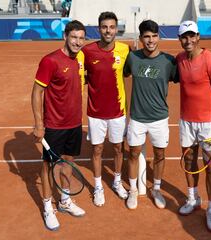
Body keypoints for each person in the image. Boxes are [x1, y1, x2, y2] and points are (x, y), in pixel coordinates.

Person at [31, 20, 86, 231]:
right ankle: (47, 207)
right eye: (74, 37)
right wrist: (39, 124)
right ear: (65, 36)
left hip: (74, 123)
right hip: (54, 125)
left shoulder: (80, 58)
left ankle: (64, 200)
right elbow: (37, 92)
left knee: (68, 163)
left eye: (81, 38)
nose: (78, 42)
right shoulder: (50, 61)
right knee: (47, 166)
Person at [176, 20, 211, 233]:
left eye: (192, 36)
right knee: (189, 160)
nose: (188, 40)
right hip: (186, 121)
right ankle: (193, 198)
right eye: (184, 37)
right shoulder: (179, 60)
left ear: (198, 37)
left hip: (208, 124)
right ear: (180, 39)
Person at [123, 20, 177, 210]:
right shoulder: (132, 58)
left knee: (160, 154)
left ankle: (157, 189)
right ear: (140, 38)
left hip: (160, 118)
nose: (151, 40)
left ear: (159, 37)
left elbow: (182, 79)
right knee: (133, 154)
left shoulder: (169, 61)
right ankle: (133, 191)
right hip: (137, 117)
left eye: (154, 36)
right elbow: (125, 74)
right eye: (146, 36)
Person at [81, 12, 130, 207]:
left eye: (111, 27)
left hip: (118, 110)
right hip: (96, 112)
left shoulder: (125, 49)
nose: (108, 30)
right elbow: (78, 73)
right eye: (104, 27)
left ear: (116, 28)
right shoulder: (87, 51)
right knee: (97, 149)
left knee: (118, 148)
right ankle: (98, 187)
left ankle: (117, 182)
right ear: (99, 28)